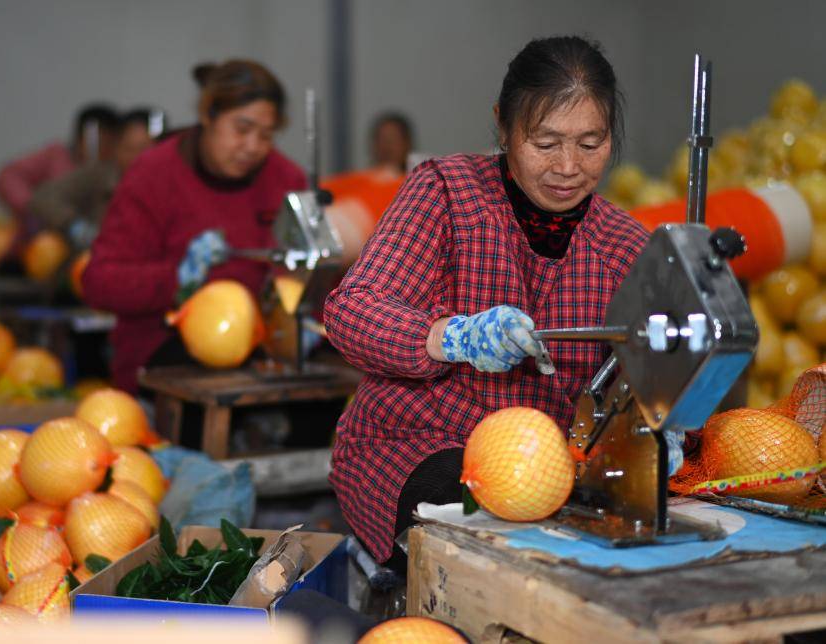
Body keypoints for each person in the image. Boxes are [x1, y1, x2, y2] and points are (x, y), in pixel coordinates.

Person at [323, 36, 651, 570]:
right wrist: (448, 337)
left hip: (547, 469)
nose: (569, 167)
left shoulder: (624, 246)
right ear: (503, 126)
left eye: (591, 144)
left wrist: (657, 424)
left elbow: (637, 382)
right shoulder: (446, 192)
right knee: (477, 540)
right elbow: (352, 310)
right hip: (416, 443)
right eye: (545, 143)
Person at [82, 60, 306, 393]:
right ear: (208, 115)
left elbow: (307, 272)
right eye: (242, 129)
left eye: (266, 135)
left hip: (261, 354)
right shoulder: (153, 176)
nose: (253, 147)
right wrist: (177, 279)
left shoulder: (285, 179)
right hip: (161, 358)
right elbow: (99, 282)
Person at [28, 106, 167, 248]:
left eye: (145, 149)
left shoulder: (170, 181)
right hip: (96, 256)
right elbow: (44, 197)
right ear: (116, 148)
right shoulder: (100, 174)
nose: (137, 158)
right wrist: (75, 225)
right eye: (129, 149)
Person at [0, 103, 120, 238]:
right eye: (95, 141)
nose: (102, 148)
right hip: (48, 240)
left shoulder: (112, 170)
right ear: (79, 138)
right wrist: (31, 209)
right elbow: (9, 176)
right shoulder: (57, 156)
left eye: (109, 143)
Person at [322, 112, 415, 264]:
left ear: (407, 143)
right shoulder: (356, 180)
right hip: (337, 254)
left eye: (393, 140)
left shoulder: (415, 185)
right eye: (382, 140)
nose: (387, 146)